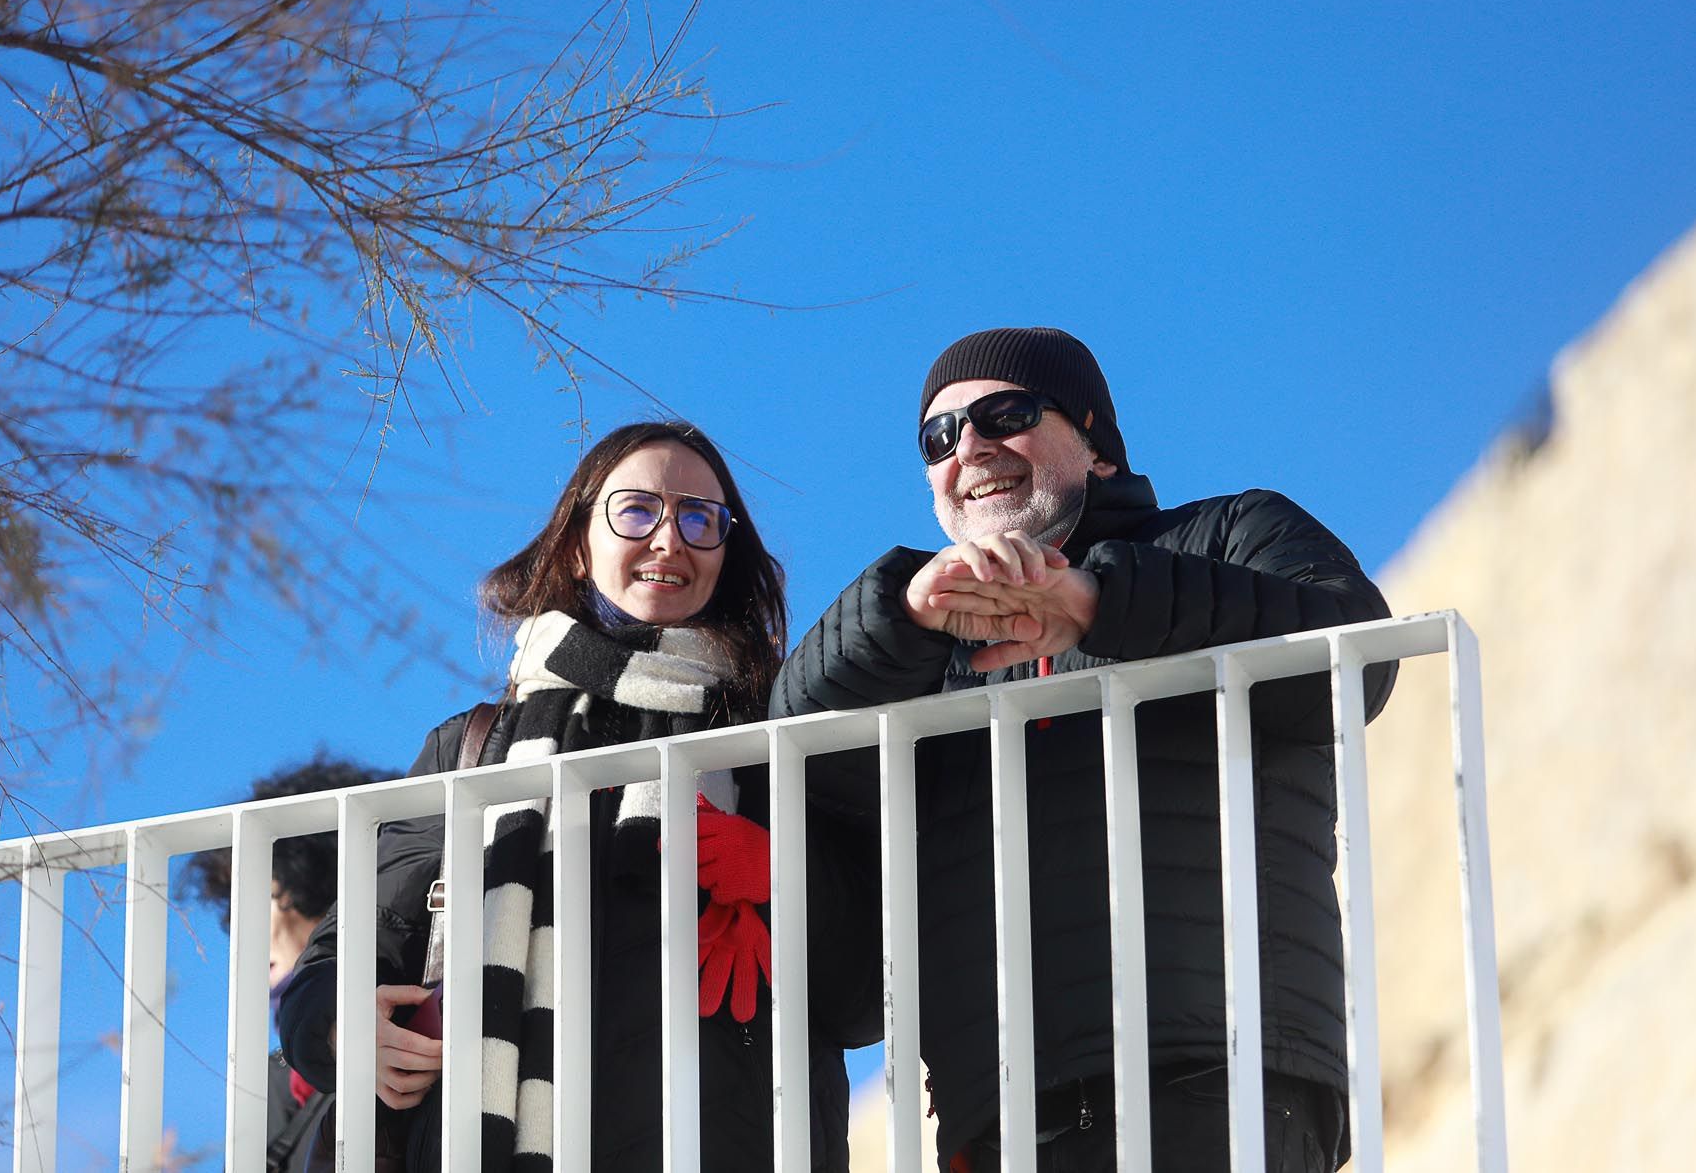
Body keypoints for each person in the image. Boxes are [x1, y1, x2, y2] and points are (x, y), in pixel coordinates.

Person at [774, 328, 1398, 1173]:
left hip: (1215, 1075)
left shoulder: (1226, 534)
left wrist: (1106, 606)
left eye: (1006, 413)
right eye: (941, 435)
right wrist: (902, 612)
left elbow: (1355, 658)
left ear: (1096, 444)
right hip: (997, 1115)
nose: (972, 446)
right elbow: (794, 752)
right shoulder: (932, 642)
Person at [277, 420, 878, 1172]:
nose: (670, 540)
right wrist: (338, 1023)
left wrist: (786, 874)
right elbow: (356, 940)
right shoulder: (474, 748)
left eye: (701, 518)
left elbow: (870, 991)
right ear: (575, 542)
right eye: (637, 510)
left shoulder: (773, 738)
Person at [186, 753, 397, 1173]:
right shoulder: (268, 1084)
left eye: (257, 900)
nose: (242, 934)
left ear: (319, 885)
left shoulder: (398, 1030)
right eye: (232, 912)